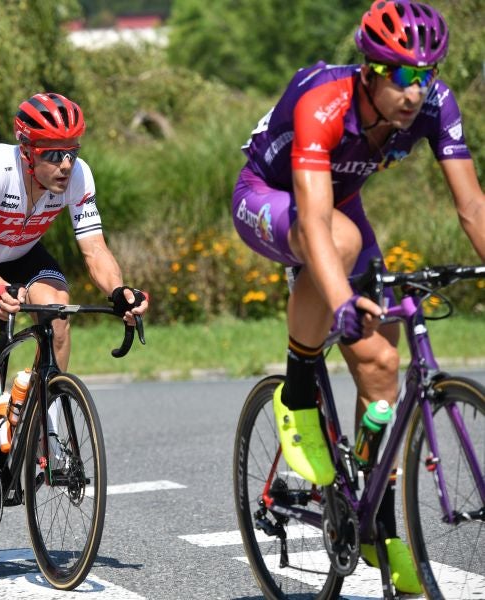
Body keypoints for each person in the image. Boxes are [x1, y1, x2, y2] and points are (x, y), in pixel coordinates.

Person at [232, 0, 485, 593]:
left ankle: (375, 520)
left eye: (426, 75)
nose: (416, 91)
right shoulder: (324, 100)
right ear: (371, 69)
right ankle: (297, 392)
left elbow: (472, 205)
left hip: (338, 209)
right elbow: (316, 223)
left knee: (383, 367)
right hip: (268, 199)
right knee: (340, 244)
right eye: (403, 75)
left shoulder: (434, 105)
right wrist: (340, 298)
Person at [0, 92, 149, 527]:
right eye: (53, 154)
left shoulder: (77, 177)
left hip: (24, 253)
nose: (65, 164)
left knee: (58, 317)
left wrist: (120, 291)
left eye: (72, 152)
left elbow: (95, 251)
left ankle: (42, 425)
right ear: (27, 149)